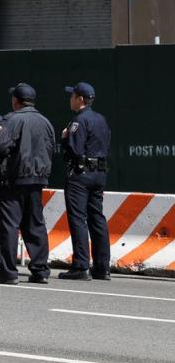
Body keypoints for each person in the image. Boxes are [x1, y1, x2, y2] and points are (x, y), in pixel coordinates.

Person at [0, 83, 56, 285]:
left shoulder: (11, 120)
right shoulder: (45, 122)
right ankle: (40, 270)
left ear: (16, 100)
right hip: (37, 179)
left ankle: (8, 271)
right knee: (35, 224)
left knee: (9, 225)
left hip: (13, 180)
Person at [59, 82, 111, 281]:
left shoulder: (78, 121)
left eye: (72, 96)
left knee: (78, 219)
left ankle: (81, 266)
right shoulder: (102, 119)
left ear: (80, 99)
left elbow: (74, 150)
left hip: (80, 176)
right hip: (99, 173)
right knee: (97, 218)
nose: (70, 99)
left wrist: (64, 138)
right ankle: (102, 267)